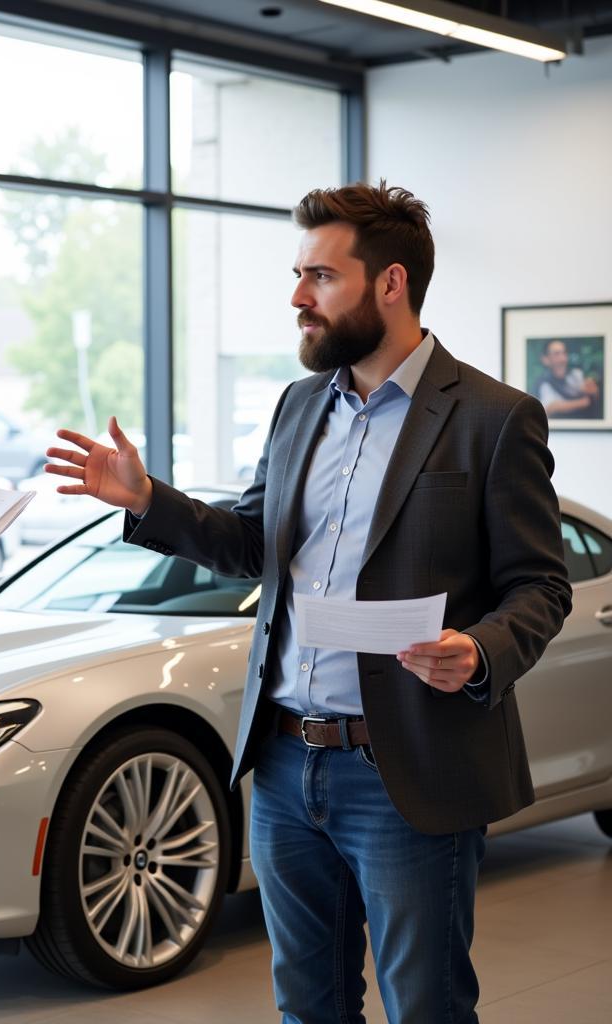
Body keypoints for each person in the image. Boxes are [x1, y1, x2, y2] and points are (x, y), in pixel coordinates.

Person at [45, 182, 572, 1023]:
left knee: (426, 1007)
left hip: (408, 770)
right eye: (299, 275)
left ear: (390, 284)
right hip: (287, 765)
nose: (298, 298)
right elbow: (253, 543)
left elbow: (540, 586)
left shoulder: (493, 418)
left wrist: (478, 650)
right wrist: (147, 501)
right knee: (308, 1009)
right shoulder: (298, 407)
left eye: (320, 277)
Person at [535, 337, 601, 418]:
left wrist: (594, 393)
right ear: (545, 359)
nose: (563, 359)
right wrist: (584, 402)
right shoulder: (543, 383)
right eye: (556, 354)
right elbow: (550, 407)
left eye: (564, 353)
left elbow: (591, 392)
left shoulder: (576, 374)